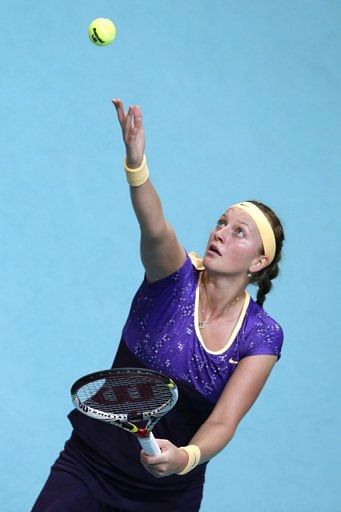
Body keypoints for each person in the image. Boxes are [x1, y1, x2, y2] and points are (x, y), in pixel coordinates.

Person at [31, 99, 284, 512]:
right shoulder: (173, 276)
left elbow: (223, 422)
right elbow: (154, 224)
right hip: (89, 466)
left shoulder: (262, 335)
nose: (220, 233)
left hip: (166, 495)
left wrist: (185, 458)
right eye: (221, 223)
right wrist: (136, 164)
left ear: (259, 262)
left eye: (239, 232)